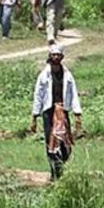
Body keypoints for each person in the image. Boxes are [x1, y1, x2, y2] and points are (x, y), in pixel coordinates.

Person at [30, 45, 83, 181]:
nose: (56, 57)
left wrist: (77, 113)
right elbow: (38, 95)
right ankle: (55, 173)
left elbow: (74, 94)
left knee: (66, 145)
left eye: (58, 55)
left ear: (62, 57)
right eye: (53, 55)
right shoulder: (44, 75)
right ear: (50, 56)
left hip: (62, 111)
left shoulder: (68, 75)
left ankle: (60, 166)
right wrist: (35, 116)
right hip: (49, 111)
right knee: (50, 142)